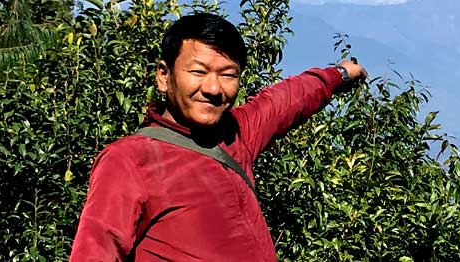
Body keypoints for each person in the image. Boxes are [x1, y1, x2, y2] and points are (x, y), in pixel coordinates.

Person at [69, 13, 367, 261]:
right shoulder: (129, 160)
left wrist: (340, 74)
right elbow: (95, 252)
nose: (213, 88)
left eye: (228, 75)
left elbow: (286, 100)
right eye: (198, 72)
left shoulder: (235, 134)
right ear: (164, 76)